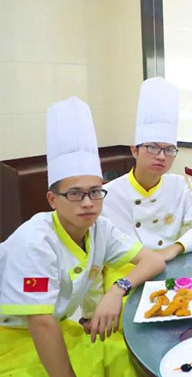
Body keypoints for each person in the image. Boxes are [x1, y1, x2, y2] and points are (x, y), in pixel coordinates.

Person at [0, 97, 165, 376]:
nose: (88, 203)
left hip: (60, 327)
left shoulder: (100, 229)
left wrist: (117, 290)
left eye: (95, 192)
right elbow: (40, 322)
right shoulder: (34, 242)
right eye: (75, 194)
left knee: (125, 358)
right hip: (12, 339)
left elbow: (153, 261)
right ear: (52, 199)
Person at [103, 77, 192, 270]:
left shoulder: (180, 185)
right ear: (134, 150)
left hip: (170, 266)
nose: (161, 156)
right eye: (152, 147)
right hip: (126, 275)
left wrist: (174, 249)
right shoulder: (108, 194)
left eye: (169, 149)